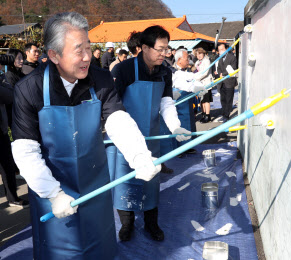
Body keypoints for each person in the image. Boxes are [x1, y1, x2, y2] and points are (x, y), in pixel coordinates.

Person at [11, 12, 161, 259]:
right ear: (54, 55)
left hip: (95, 185)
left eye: (89, 49)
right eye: (78, 50)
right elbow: (25, 149)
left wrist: (139, 155)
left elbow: (117, 119)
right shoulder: (30, 89)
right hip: (53, 187)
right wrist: (52, 193)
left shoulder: (99, 79)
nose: (87, 57)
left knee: (98, 245)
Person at [110, 25, 191, 242]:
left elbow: (165, 103)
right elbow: (112, 106)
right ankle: (127, 224)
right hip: (125, 139)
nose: (165, 54)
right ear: (144, 48)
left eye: (167, 49)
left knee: (151, 182)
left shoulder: (164, 71)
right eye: (160, 49)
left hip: (151, 136)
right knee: (124, 180)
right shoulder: (124, 70)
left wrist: (175, 126)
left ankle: (151, 223)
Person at [0, 64, 29, 208]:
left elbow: (10, 96)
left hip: (2, 130)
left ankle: (12, 198)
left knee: (8, 165)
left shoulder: (1, 76)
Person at [169, 48, 207, 155]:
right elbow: (179, 82)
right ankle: (180, 148)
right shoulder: (173, 71)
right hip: (178, 101)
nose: (188, 61)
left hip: (188, 101)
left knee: (190, 121)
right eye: (186, 59)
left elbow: (192, 78)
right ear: (179, 59)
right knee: (180, 123)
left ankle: (189, 144)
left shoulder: (187, 70)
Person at [217, 43, 238, 122]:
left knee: (229, 99)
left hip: (229, 82)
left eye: (222, 49)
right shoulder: (220, 58)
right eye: (219, 50)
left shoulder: (232, 57)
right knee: (223, 99)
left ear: (226, 49)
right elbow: (219, 68)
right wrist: (219, 74)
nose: (220, 51)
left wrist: (224, 74)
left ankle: (226, 115)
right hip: (222, 82)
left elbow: (234, 68)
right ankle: (223, 114)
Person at [5, 48, 25, 127]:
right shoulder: (9, 76)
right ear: (11, 59)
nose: (22, 60)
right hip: (14, 115)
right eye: (19, 58)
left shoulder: (21, 74)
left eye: (22, 58)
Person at [195, 47, 213, 123]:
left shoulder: (206, 61)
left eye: (200, 53)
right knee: (201, 100)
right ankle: (203, 114)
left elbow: (205, 73)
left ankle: (207, 116)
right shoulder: (197, 62)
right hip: (200, 84)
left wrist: (197, 78)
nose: (199, 55)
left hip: (206, 83)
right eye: (197, 54)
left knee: (206, 100)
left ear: (203, 53)